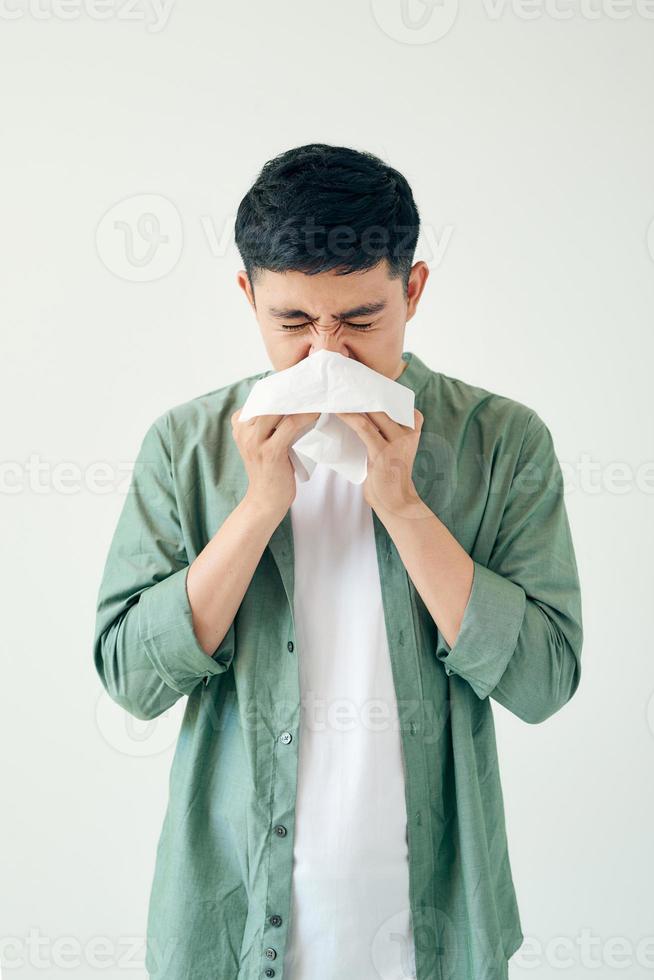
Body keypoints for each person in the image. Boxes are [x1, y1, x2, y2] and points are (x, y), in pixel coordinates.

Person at [93, 143, 584, 980]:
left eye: (359, 320)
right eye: (293, 324)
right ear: (247, 296)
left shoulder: (503, 442)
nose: (327, 355)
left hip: (440, 934)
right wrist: (256, 510)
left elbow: (542, 682)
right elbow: (131, 681)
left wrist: (403, 505)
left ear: (414, 290)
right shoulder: (186, 445)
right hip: (232, 932)